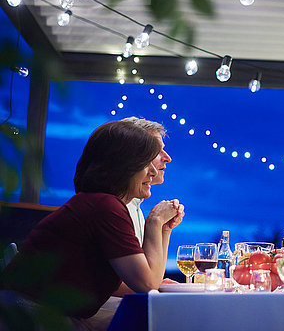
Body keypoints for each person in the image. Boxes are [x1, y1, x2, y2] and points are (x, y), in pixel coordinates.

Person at [1, 120, 184, 330]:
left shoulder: (101, 203)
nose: (151, 173)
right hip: (30, 317)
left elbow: (146, 281)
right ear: (123, 166)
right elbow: (147, 285)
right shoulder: (105, 207)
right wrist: (155, 222)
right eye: (144, 164)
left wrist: (164, 228)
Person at [121, 117, 172, 246]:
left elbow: (154, 266)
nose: (168, 158)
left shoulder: (135, 204)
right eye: (156, 151)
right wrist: (155, 220)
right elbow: (140, 267)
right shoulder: (116, 210)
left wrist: (165, 228)